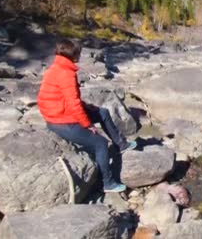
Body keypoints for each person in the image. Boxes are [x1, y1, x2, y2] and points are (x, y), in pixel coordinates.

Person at [37, 38, 136, 193]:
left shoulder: (55, 67)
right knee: (100, 143)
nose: (80, 56)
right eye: (79, 53)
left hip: (58, 113)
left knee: (102, 112)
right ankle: (108, 183)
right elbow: (73, 104)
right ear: (74, 55)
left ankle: (121, 144)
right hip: (62, 120)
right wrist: (88, 125)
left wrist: (88, 108)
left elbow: (67, 98)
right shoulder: (65, 73)